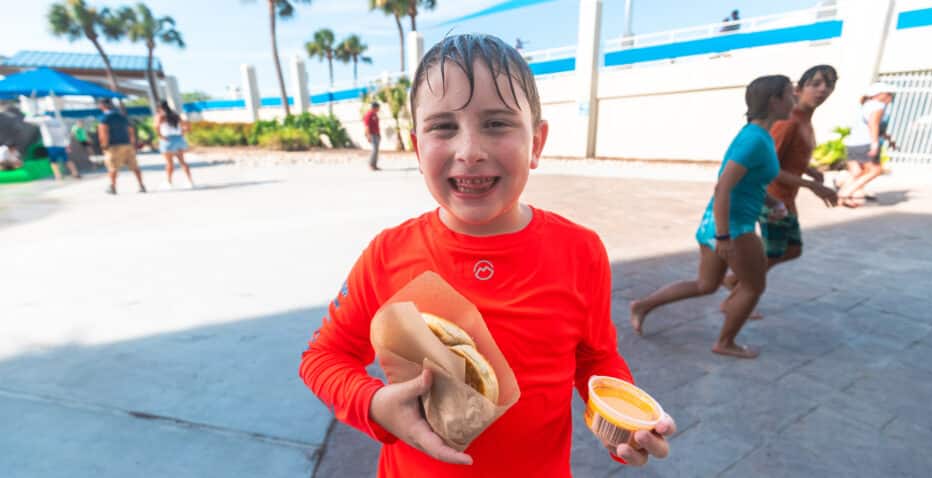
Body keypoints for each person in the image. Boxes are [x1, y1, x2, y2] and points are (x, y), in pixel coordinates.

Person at [300, 34, 675, 477]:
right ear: (418, 148)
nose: (469, 151)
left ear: (536, 142)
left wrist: (623, 426)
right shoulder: (388, 255)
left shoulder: (580, 251)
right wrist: (374, 404)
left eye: (496, 124)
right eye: (443, 127)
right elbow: (323, 358)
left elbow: (595, 359)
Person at [630, 75, 796, 359]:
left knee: (705, 285)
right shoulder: (754, 140)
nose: (794, 100)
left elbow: (751, 181)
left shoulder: (758, 135)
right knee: (754, 287)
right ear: (774, 100)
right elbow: (724, 186)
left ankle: (642, 305)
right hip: (733, 227)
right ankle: (726, 342)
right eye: (791, 94)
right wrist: (724, 236)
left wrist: (772, 202)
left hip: (719, 223)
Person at [723, 65, 840, 299]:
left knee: (792, 250)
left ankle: (736, 282)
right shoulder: (788, 121)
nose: (823, 90)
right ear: (799, 88)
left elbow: (789, 155)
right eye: (815, 83)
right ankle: (739, 293)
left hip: (788, 196)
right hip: (773, 196)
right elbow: (769, 166)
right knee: (775, 252)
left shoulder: (805, 119)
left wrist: (811, 170)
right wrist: (814, 186)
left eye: (829, 85)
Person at [835, 82, 897, 207]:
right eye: (889, 94)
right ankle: (845, 193)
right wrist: (874, 144)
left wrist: (889, 139)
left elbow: (876, 127)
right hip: (865, 142)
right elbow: (873, 125)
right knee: (875, 170)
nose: (891, 97)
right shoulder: (878, 106)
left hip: (852, 143)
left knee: (857, 172)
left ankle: (842, 196)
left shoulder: (865, 105)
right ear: (880, 95)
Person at [97, 98, 145, 195]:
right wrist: (132, 143)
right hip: (127, 145)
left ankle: (113, 187)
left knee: (112, 168)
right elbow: (131, 130)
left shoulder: (104, 118)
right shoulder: (122, 116)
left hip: (113, 146)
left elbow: (104, 132)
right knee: (134, 166)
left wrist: (104, 145)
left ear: (102, 106)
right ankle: (141, 185)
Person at [27, 113, 80, 180]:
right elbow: (66, 133)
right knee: (67, 160)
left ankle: (58, 176)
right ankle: (75, 173)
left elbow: (27, 120)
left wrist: (35, 116)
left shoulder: (43, 120)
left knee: (53, 162)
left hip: (51, 145)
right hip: (62, 144)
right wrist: (67, 144)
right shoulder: (58, 122)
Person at [155, 100, 194, 189]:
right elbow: (187, 125)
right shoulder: (175, 115)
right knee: (182, 162)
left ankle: (169, 182)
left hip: (168, 139)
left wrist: (160, 136)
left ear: (159, 107)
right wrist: (183, 132)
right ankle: (190, 181)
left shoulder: (160, 116)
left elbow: (156, 127)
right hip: (178, 139)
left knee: (169, 163)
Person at [364, 101, 381, 171]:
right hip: (372, 135)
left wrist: (379, 134)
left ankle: (375, 165)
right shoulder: (369, 115)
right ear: (374, 107)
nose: (378, 109)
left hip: (376, 134)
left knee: (376, 150)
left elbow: (377, 125)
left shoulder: (375, 115)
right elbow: (367, 126)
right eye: (378, 108)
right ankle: (371, 164)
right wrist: (368, 136)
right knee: (374, 150)